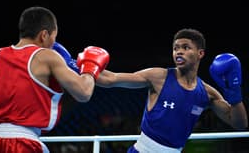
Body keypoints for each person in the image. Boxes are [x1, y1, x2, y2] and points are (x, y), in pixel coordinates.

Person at [95, 28, 248, 153]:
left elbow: (239, 123)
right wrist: (79, 67)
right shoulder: (158, 77)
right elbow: (111, 79)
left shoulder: (208, 93)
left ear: (200, 53)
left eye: (185, 47)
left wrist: (234, 93)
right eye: (176, 48)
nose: (178, 52)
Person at [0, 6, 110, 153]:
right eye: (54, 38)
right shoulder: (47, 56)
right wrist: (90, 68)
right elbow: (84, 92)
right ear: (44, 35)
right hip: (24, 144)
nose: (54, 44)